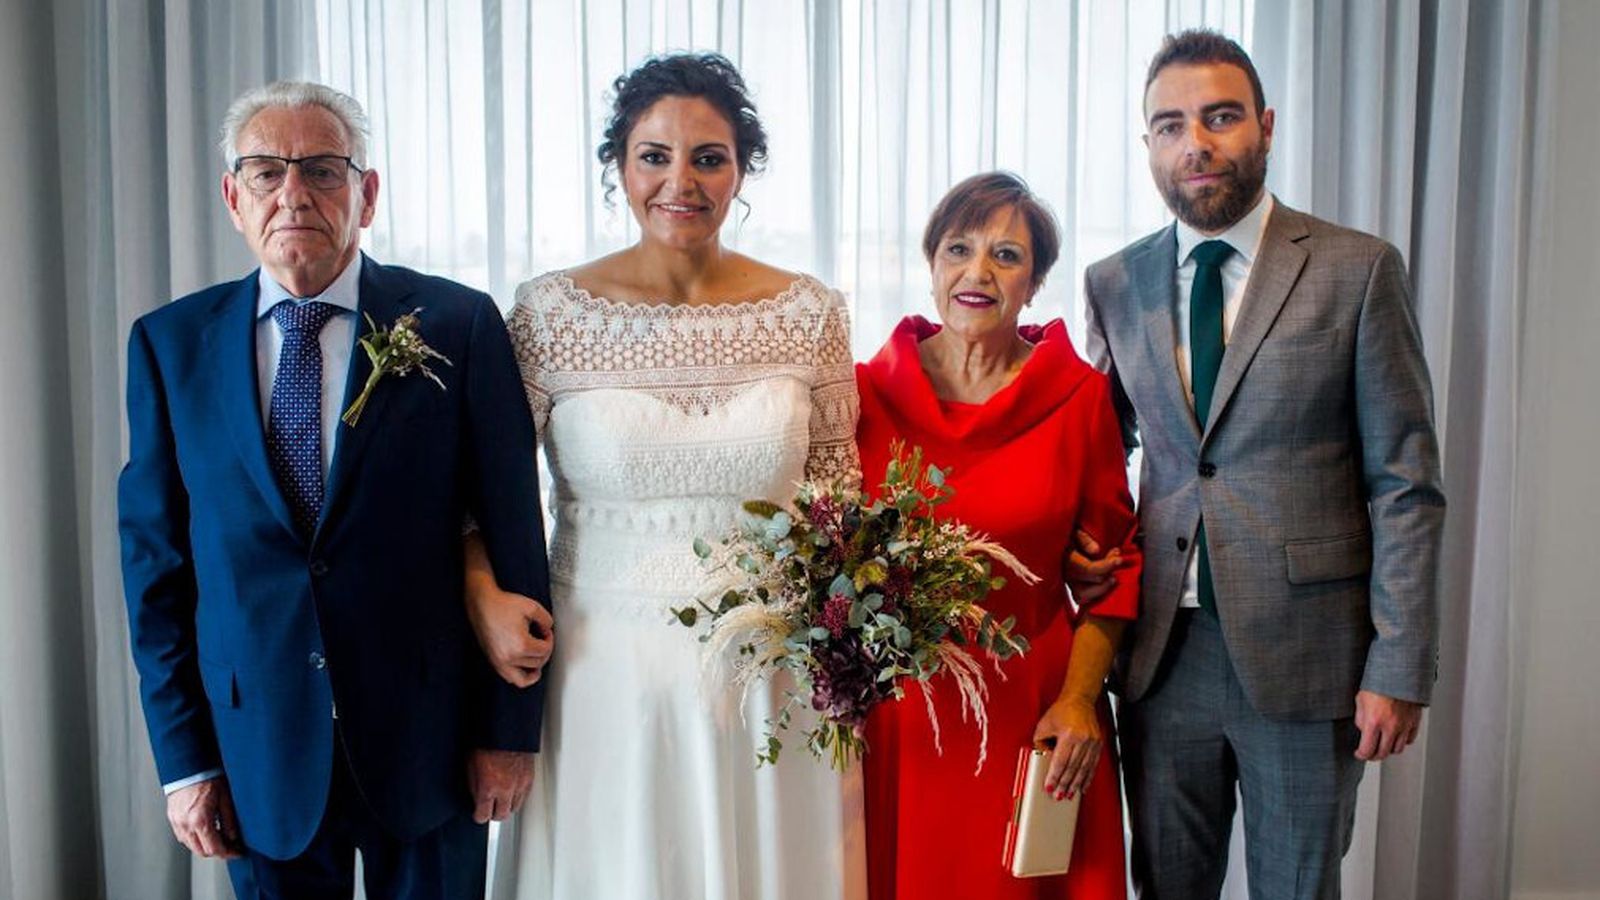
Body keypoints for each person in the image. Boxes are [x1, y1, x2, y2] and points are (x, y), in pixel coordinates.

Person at [117, 81, 552, 899]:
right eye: (265, 172)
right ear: (232, 198)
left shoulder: (457, 325)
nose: (294, 194)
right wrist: (186, 763)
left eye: (322, 169)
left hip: (431, 745)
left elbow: (512, 531)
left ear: (367, 193)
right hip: (257, 751)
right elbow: (156, 571)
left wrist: (508, 731)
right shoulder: (169, 345)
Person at [466, 53, 866, 899]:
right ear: (619, 167)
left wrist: (852, 654)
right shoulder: (548, 314)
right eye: (654, 156)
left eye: (708, 158)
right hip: (600, 678)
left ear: (741, 171)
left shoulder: (810, 312)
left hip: (771, 683)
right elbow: (476, 499)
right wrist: (481, 597)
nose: (679, 181)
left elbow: (841, 501)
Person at [1082, 31, 1445, 899]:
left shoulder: (1357, 270)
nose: (1195, 144)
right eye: (1170, 126)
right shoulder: (1113, 282)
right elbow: (1101, 449)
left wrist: (1398, 665)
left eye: (1220, 117)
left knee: (1296, 887)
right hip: (1161, 660)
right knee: (1168, 887)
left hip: (1310, 656)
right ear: (1147, 147)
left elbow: (1405, 481)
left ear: (1265, 126)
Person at [856, 172, 1142, 899]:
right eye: (959, 248)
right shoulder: (860, 394)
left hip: (1032, 708)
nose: (977, 272)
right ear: (931, 266)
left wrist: (1079, 700)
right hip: (899, 721)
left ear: (1035, 282)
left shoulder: (1079, 400)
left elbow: (1121, 569)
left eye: (1006, 255)